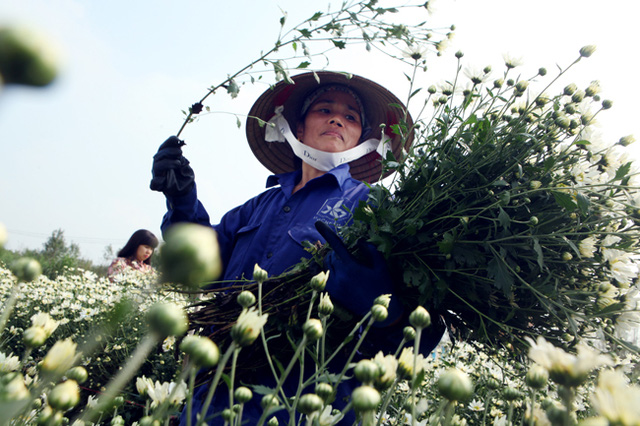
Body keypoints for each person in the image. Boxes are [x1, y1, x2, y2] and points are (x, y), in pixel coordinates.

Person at [150, 71, 444, 424]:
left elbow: (421, 334)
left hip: (305, 404)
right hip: (212, 399)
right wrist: (182, 200)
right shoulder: (258, 207)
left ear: (363, 139)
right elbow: (200, 264)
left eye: (351, 117)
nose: (337, 119)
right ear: (297, 128)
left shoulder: (376, 209)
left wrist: (389, 311)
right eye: (324, 109)